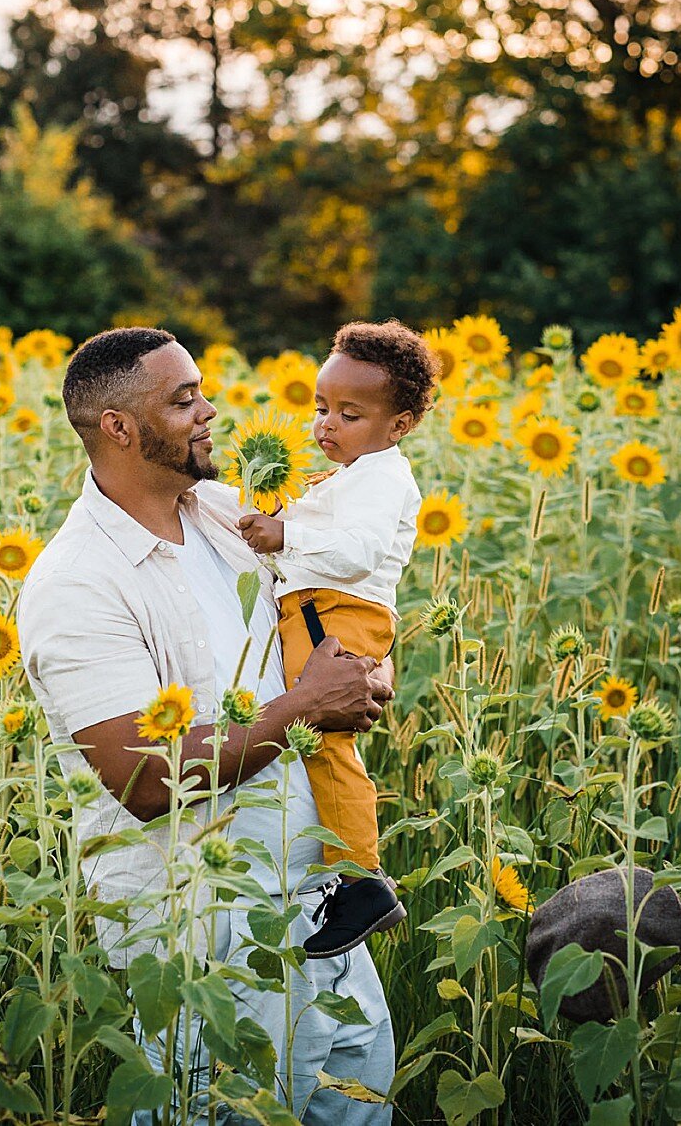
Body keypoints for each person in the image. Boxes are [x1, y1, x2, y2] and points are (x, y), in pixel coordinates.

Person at [16, 327, 397, 1123]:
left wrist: (362, 675)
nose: (209, 411)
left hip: (319, 910)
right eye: (183, 400)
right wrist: (305, 708)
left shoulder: (228, 516)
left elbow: (326, 624)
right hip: (207, 942)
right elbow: (146, 780)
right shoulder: (76, 583)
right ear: (118, 427)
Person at [238, 319, 435, 959]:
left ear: (398, 425)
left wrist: (283, 537)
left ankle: (361, 879)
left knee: (325, 740)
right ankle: (345, 870)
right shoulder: (349, 473)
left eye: (349, 414)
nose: (327, 424)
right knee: (311, 734)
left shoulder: (383, 478)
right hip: (321, 607)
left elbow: (358, 552)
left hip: (341, 612)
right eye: (321, 407)